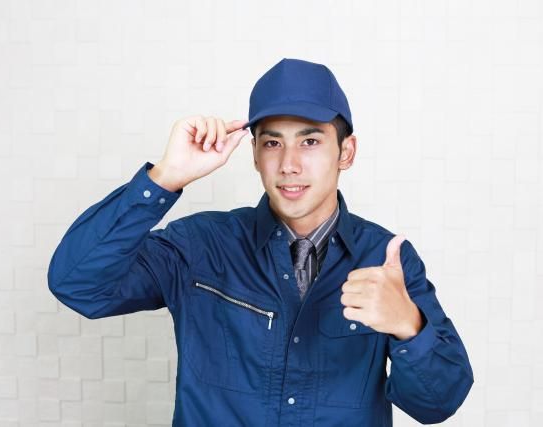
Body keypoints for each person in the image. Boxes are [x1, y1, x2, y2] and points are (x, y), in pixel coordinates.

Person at [48, 58, 473, 426]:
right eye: (272, 143)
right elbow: (78, 284)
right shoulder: (200, 247)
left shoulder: (386, 261)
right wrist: (164, 177)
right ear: (254, 154)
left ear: (346, 152)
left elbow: (437, 405)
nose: (289, 164)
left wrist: (409, 326)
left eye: (310, 141)